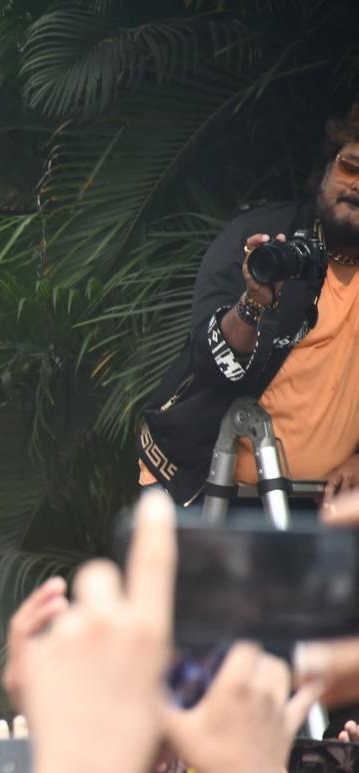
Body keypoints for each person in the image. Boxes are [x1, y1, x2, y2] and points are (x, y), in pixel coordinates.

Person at [138, 104, 359, 503]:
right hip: (208, 494)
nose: (357, 184)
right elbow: (209, 365)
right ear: (327, 167)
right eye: (350, 166)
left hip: (322, 508)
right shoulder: (263, 241)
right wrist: (253, 305)